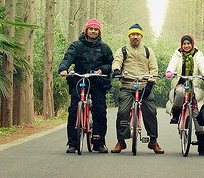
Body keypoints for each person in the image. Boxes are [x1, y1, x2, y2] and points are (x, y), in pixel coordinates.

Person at [58, 19, 113, 154]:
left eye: (96, 29)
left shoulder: (104, 48)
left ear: (99, 32)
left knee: (100, 111)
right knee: (73, 110)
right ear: (86, 30)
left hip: (97, 82)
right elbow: (68, 58)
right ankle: (73, 143)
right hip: (79, 80)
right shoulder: (77, 45)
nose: (93, 31)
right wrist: (63, 68)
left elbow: (110, 64)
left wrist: (102, 70)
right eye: (91, 29)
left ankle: (99, 142)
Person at [110, 23, 164, 154]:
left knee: (151, 112)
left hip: (145, 86)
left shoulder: (148, 51)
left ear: (141, 36)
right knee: (122, 112)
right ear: (129, 36)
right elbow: (117, 61)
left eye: (138, 34)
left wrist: (151, 80)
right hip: (127, 85)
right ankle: (121, 141)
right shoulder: (122, 50)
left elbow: (153, 68)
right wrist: (116, 70)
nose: (135, 37)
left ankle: (153, 141)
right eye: (133, 34)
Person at [164, 34, 204, 155]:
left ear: (192, 44)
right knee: (179, 92)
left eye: (188, 43)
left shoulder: (197, 54)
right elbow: (173, 63)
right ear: (181, 45)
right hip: (180, 82)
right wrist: (169, 71)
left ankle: (201, 146)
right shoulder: (177, 54)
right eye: (184, 43)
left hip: (194, 86)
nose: (186, 46)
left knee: (196, 115)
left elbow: (202, 64)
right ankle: (176, 113)